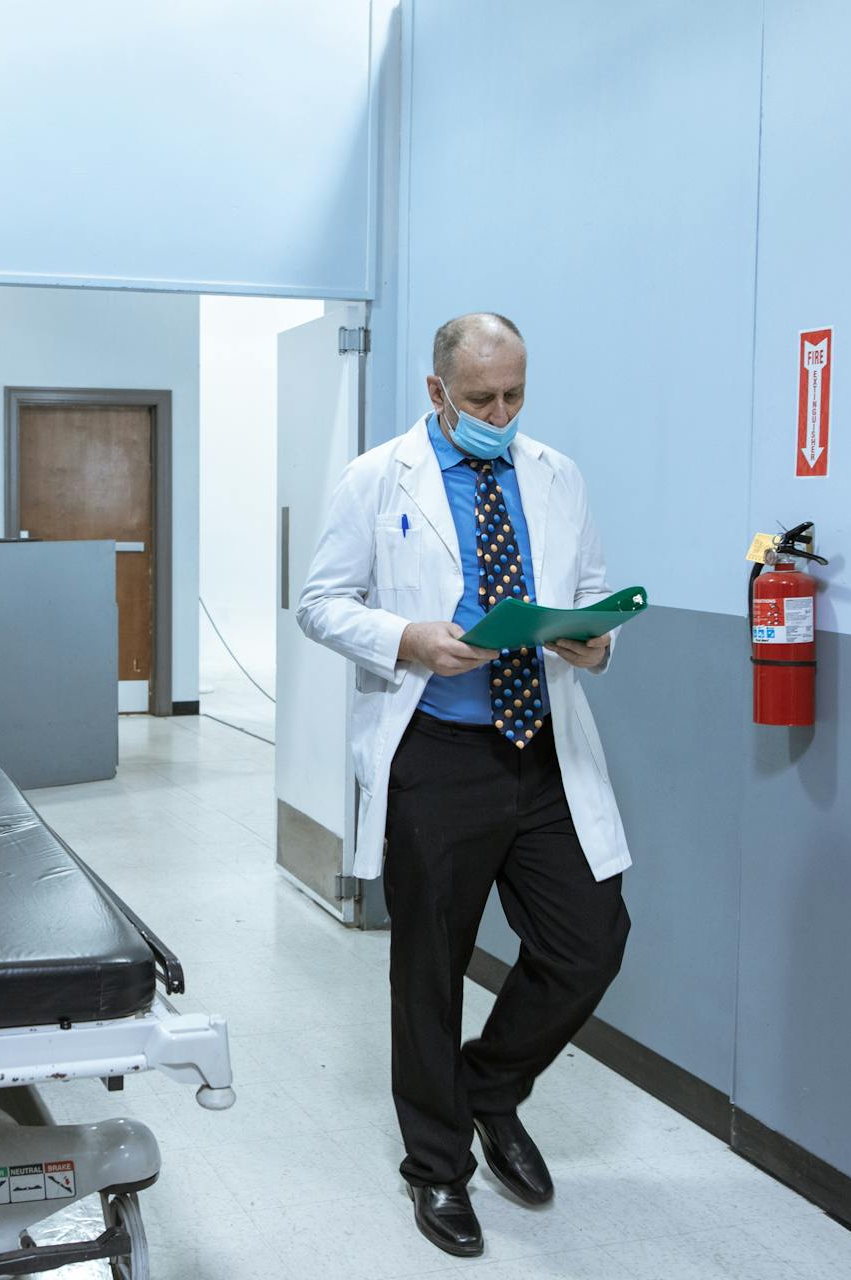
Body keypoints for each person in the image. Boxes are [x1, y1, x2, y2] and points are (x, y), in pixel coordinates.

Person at [295, 313, 632, 1259]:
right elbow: (319, 602)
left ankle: (490, 1089)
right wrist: (407, 638)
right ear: (436, 391)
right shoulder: (377, 477)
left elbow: (593, 586)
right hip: (437, 755)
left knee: (590, 942)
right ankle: (437, 1167)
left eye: (515, 394)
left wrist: (595, 639)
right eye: (480, 397)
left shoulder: (555, 474)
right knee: (431, 968)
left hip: (543, 748)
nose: (501, 412)